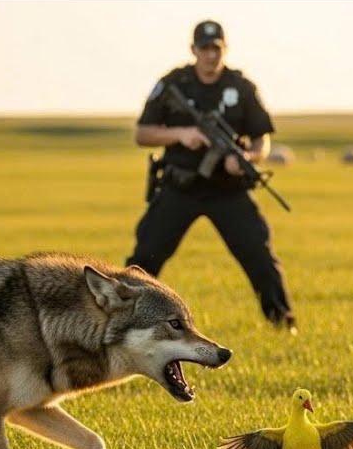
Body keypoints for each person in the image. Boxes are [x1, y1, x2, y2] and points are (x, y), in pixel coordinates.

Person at [127, 19, 296, 331]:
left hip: (227, 191)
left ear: (224, 49)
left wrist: (247, 157)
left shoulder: (240, 87)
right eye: (204, 49)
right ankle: (119, 322)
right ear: (194, 50)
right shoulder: (174, 84)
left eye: (216, 48)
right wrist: (181, 134)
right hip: (180, 189)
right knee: (145, 258)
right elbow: (143, 134)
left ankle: (283, 324)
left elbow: (261, 138)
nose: (210, 55)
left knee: (260, 257)